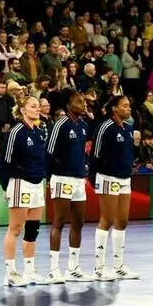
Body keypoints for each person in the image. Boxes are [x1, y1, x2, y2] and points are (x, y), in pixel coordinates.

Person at [45, 92, 95, 283]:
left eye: (84, 101)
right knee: (59, 221)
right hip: (61, 178)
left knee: (79, 222)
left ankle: (73, 268)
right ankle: (53, 269)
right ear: (68, 105)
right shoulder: (59, 124)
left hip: (78, 180)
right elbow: (48, 153)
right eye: (79, 102)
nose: (83, 104)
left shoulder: (83, 126)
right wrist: (49, 177)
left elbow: (81, 153)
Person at [0, 96, 47, 287]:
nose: (37, 109)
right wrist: (6, 186)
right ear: (22, 110)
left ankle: (29, 270)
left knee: (33, 228)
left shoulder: (38, 131)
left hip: (37, 183)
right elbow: (5, 161)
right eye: (33, 107)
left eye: (38, 106)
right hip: (20, 183)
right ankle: (10, 272)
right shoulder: (15, 132)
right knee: (15, 228)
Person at [91, 95, 139, 280]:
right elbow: (95, 155)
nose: (129, 109)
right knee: (107, 220)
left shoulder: (128, 128)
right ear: (114, 109)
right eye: (125, 106)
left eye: (129, 106)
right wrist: (94, 178)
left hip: (124, 179)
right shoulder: (105, 128)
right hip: (107, 177)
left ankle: (119, 266)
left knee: (122, 221)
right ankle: (99, 267)